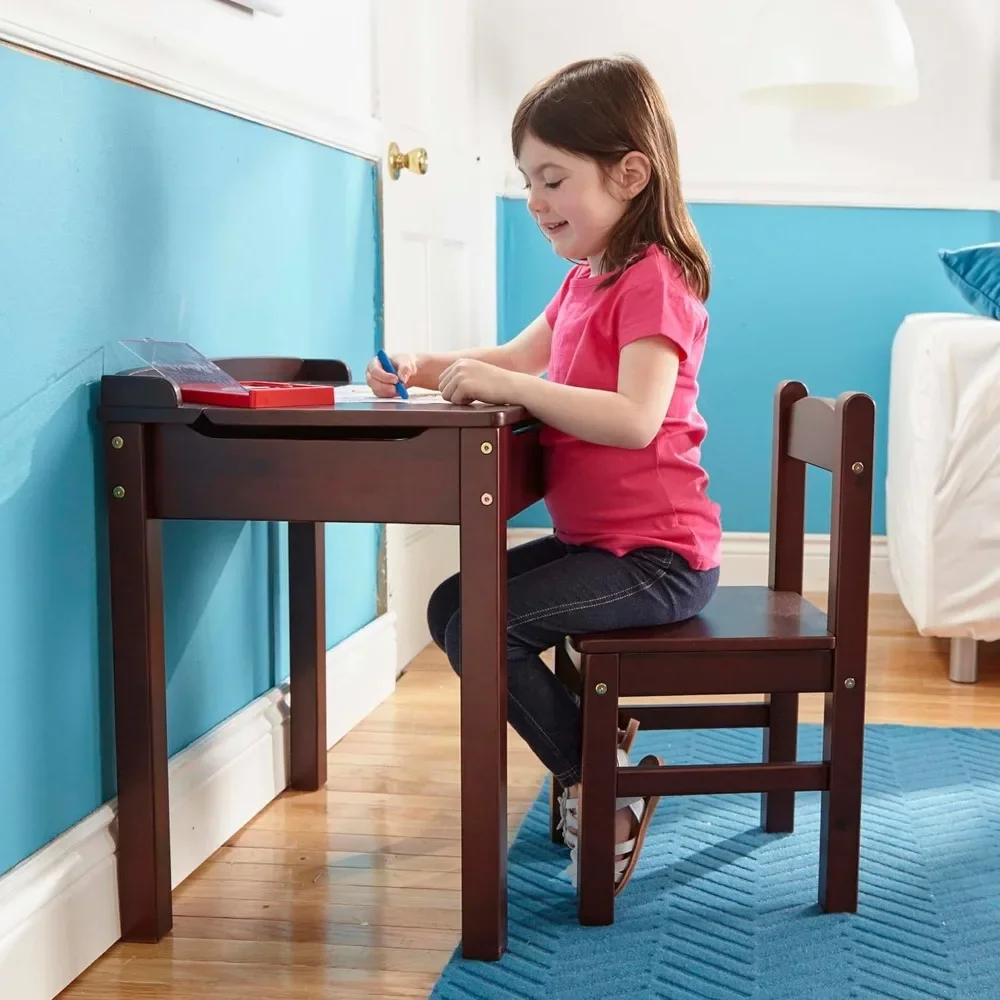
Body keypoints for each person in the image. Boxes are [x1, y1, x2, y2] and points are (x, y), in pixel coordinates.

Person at [365, 54, 721, 895]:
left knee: (486, 623)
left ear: (630, 174)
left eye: (554, 179)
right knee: (452, 605)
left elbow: (635, 417)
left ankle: (602, 782)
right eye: (528, 181)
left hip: (658, 559)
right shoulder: (583, 282)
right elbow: (513, 360)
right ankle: (597, 763)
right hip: (599, 544)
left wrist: (515, 388)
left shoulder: (655, 282)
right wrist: (422, 366)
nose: (535, 202)